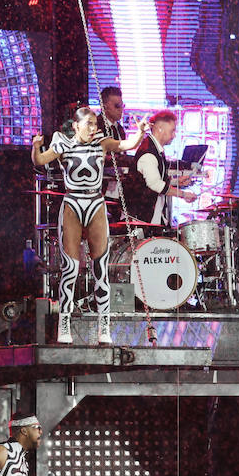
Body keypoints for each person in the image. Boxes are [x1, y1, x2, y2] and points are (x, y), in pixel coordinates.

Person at [31, 105, 145, 346]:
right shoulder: (63, 144)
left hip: (95, 203)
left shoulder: (101, 143)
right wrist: (36, 145)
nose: (94, 129)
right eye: (89, 124)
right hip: (73, 202)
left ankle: (104, 326)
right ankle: (64, 323)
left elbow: (127, 145)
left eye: (96, 124)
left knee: (100, 268)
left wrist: (140, 132)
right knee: (70, 268)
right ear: (76, 126)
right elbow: (40, 160)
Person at [135, 109, 197, 229]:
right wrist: (183, 194)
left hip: (154, 216)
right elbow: (155, 184)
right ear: (160, 129)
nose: (174, 135)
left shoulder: (156, 150)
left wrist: (176, 181)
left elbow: (155, 178)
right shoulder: (149, 153)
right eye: (172, 130)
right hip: (144, 218)